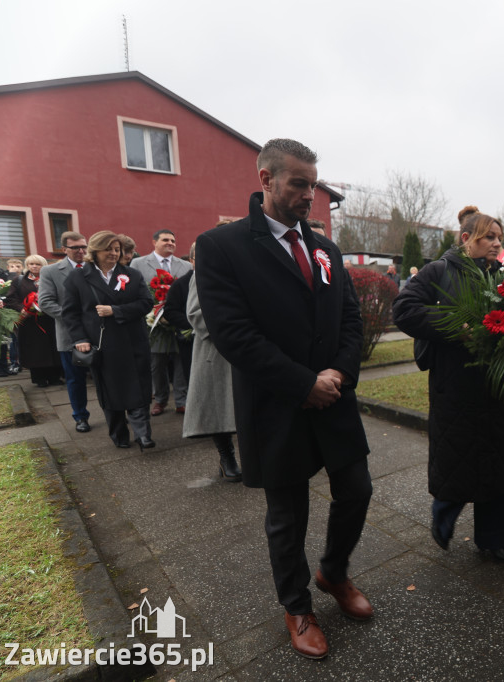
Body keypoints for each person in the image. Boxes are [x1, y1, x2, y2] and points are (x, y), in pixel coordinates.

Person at [195, 138, 372, 660]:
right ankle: (297, 606)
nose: (309, 195)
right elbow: (234, 334)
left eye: (314, 185)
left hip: (334, 397)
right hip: (276, 404)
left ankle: (333, 572)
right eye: (299, 183)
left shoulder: (324, 248)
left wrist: (338, 371)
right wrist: (302, 383)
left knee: (357, 491)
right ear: (266, 180)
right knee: (287, 516)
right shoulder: (222, 246)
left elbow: (350, 318)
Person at [392, 205, 504, 564]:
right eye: (489, 237)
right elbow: (403, 308)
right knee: (458, 455)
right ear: (466, 239)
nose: (497, 244)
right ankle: (444, 513)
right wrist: (457, 325)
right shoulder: (439, 270)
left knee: (495, 458)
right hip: (456, 385)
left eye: (499, 238)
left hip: (496, 385)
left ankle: (496, 538)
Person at [62, 231, 155, 450]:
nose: (114, 254)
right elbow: (70, 313)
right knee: (110, 391)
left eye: (117, 249)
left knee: (138, 388)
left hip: (133, 342)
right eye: (109, 249)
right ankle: (119, 434)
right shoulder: (77, 278)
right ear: (95, 251)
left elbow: (146, 303)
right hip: (102, 344)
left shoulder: (132, 274)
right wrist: (80, 339)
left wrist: (116, 310)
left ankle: (143, 435)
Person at [183, 229, 241, 482]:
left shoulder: (242, 270)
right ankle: (226, 457)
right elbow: (196, 313)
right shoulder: (201, 275)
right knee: (220, 407)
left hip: (246, 347)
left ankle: (250, 455)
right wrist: (233, 334)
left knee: (242, 405)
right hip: (216, 350)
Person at [130, 229, 192, 416]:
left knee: (182, 362)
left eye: (173, 240)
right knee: (157, 363)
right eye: (165, 240)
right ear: (154, 242)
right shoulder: (138, 264)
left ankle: (182, 400)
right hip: (153, 323)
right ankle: (160, 400)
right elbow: (135, 291)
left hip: (179, 321)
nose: (170, 243)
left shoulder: (185, 266)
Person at [38, 231, 92, 432]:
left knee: (105, 376)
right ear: (64, 250)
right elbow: (45, 302)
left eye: (84, 247)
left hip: (98, 333)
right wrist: (74, 318)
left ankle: (113, 412)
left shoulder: (94, 268)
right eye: (76, 247)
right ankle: (80, 416)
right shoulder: (50, 272)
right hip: (70, 335)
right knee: (75, 379)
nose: (81, 251)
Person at [5, 255, 62, 387]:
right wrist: (22, 308)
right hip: (30, 322)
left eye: (37, 264)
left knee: (53, 348)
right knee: (35, 351)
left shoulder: (50, 279)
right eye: (31, 264)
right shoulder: (19, 281)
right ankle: (39, 379)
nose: (34, 266)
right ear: (27, 266)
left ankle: (55, 377)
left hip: (49, 320)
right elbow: (10, 299)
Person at [162, 246, 195, 399]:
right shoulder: (181, 284)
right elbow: (170, 311)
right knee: (193, 377)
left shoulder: (219, 280)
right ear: (191, 261)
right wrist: (193, 324)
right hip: (190, 340)